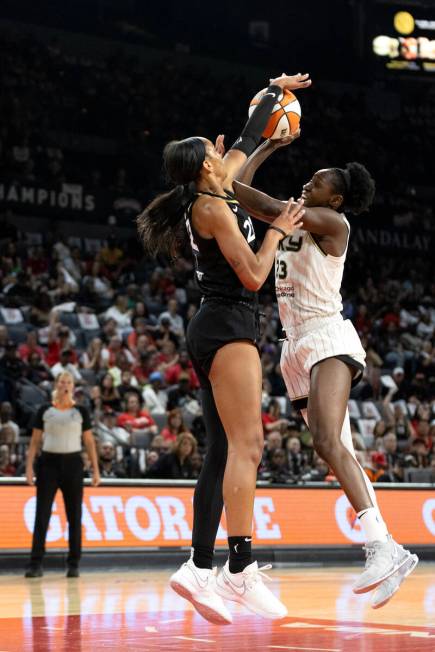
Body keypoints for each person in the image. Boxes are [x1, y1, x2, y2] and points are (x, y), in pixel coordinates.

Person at [136, 72, 310, 624]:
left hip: (218, 324)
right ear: (205, 164)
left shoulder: (216, 185)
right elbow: (256, 275)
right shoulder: (209, 208)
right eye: (212, 149)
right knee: (249, 445)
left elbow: (243, 139)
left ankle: (198, 566)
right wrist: (279, 227)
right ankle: (240, 569)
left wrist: (270, 98)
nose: (220, 149)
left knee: (220, 453)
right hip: (228, 322)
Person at [232, 133, 418, 609]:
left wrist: (247, 153)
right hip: (294, 346)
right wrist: (267, 150)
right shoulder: (298, 218)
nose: (307, 183)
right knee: (340, 452)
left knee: (327, 442)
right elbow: (243, 193)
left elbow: (251, 196)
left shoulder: (332, 222)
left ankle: (380, 546)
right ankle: (389, 548)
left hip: (326, 337)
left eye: (317, 182)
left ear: (334, 198)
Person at [24, 371, 100, 578]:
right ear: (56, 385)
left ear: (73, 386)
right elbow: (34, 442)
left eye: (68, 382)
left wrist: (96, 469)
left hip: (73, 464)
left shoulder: (81, 411)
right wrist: (29, 468)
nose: (65, 385)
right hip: (48, 464)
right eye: (62, 382)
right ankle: (35, 563)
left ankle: (74, 563)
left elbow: (89, 442)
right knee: (42, 515)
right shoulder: (45, 410)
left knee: (74, 515)